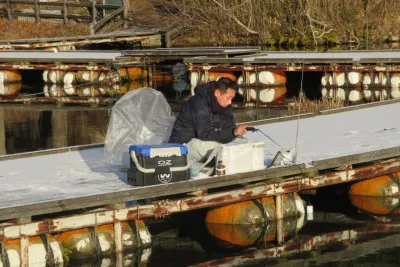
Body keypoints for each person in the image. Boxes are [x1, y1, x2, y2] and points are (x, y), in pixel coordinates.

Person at [169, 77, 249, 162]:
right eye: (228, 98)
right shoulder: (198, 104)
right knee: (217, 148)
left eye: (232, 98)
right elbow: (205, 134)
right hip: (182, 146)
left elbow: (229, 128)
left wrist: (235, 132)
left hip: (203, 141)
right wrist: (233, 132)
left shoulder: (225, 105)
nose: (230, 102)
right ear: (217, 93)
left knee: (241, 143)